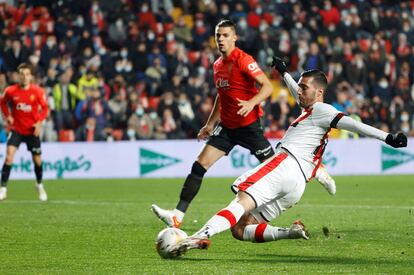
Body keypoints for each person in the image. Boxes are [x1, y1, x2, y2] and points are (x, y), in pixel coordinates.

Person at [170, 57, 407, 256]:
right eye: (301, 86)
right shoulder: (311, 109)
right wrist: (284, 72)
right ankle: (289, 232)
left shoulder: (324, 110)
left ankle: (195, 237)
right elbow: (296, 90)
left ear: (320, 92)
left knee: (241, 201)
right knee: (241, 228)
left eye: (305, 88)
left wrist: (388, 138)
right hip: (297, 186)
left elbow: (354, 125)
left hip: (285, 164)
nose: (299, 91)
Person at [152, 20, 336, 229]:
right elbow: (222, 97)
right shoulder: (217, 65)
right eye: (218, 35)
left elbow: (267, 87)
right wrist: (210, 123)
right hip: (228, 128)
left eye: (225, 35)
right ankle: (177, 215)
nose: (220, 39)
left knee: (278, 165)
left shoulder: (243, 60)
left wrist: (251, 103)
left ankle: (316, 168)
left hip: (249, 127)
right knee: (199, 165)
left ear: (234, 37)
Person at [0, 63, 49, 201]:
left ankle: (39, 185)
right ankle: (3, 189)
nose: (24, 77)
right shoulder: (11, 91)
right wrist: (7, 115)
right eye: (22, 74)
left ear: (31, 76)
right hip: (17, 129)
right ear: (18, 76)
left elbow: (45, 108)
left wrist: (39, 123)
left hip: (32, 131)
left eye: (27, 74)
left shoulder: (37, 91)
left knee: (37, 160)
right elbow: (2, 102)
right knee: (9, 156)